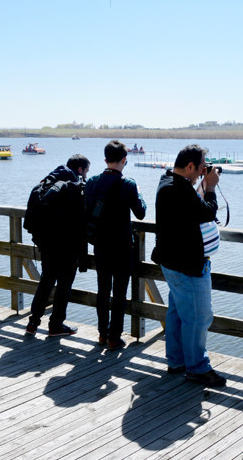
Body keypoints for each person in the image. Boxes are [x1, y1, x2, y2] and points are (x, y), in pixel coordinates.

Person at [152, 144, 226, 388]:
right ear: (191, 166)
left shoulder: (169, 183)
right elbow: (207, 212)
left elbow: (190, 207)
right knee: (198, 317)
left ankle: (176, 361)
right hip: (187, 265)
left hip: (172, 262)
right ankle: (197, 368)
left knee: (177, 313)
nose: (204, 170)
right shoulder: (179, 190)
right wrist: (211, 187)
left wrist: (202, 185)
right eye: (202, 166)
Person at [85, 141, 147, 350]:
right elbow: (141, 212)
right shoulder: (128, 184)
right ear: (124, 160)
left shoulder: (92, 182)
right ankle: (114, 337)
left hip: (100, 245)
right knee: (119, 293)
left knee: (103, 290)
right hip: (121, 247)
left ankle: (102, 334)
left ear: (105, 160)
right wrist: (138, 194)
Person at [25, 154, 90, 337]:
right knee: (64, 286)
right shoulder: (74, 186)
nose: (85, 176)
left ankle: (32, 324)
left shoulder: (48, 182)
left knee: (45, 282)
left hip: (45, 242)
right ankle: (55, 325)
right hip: (67, 245)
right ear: (80, 169)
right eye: (86, 171)